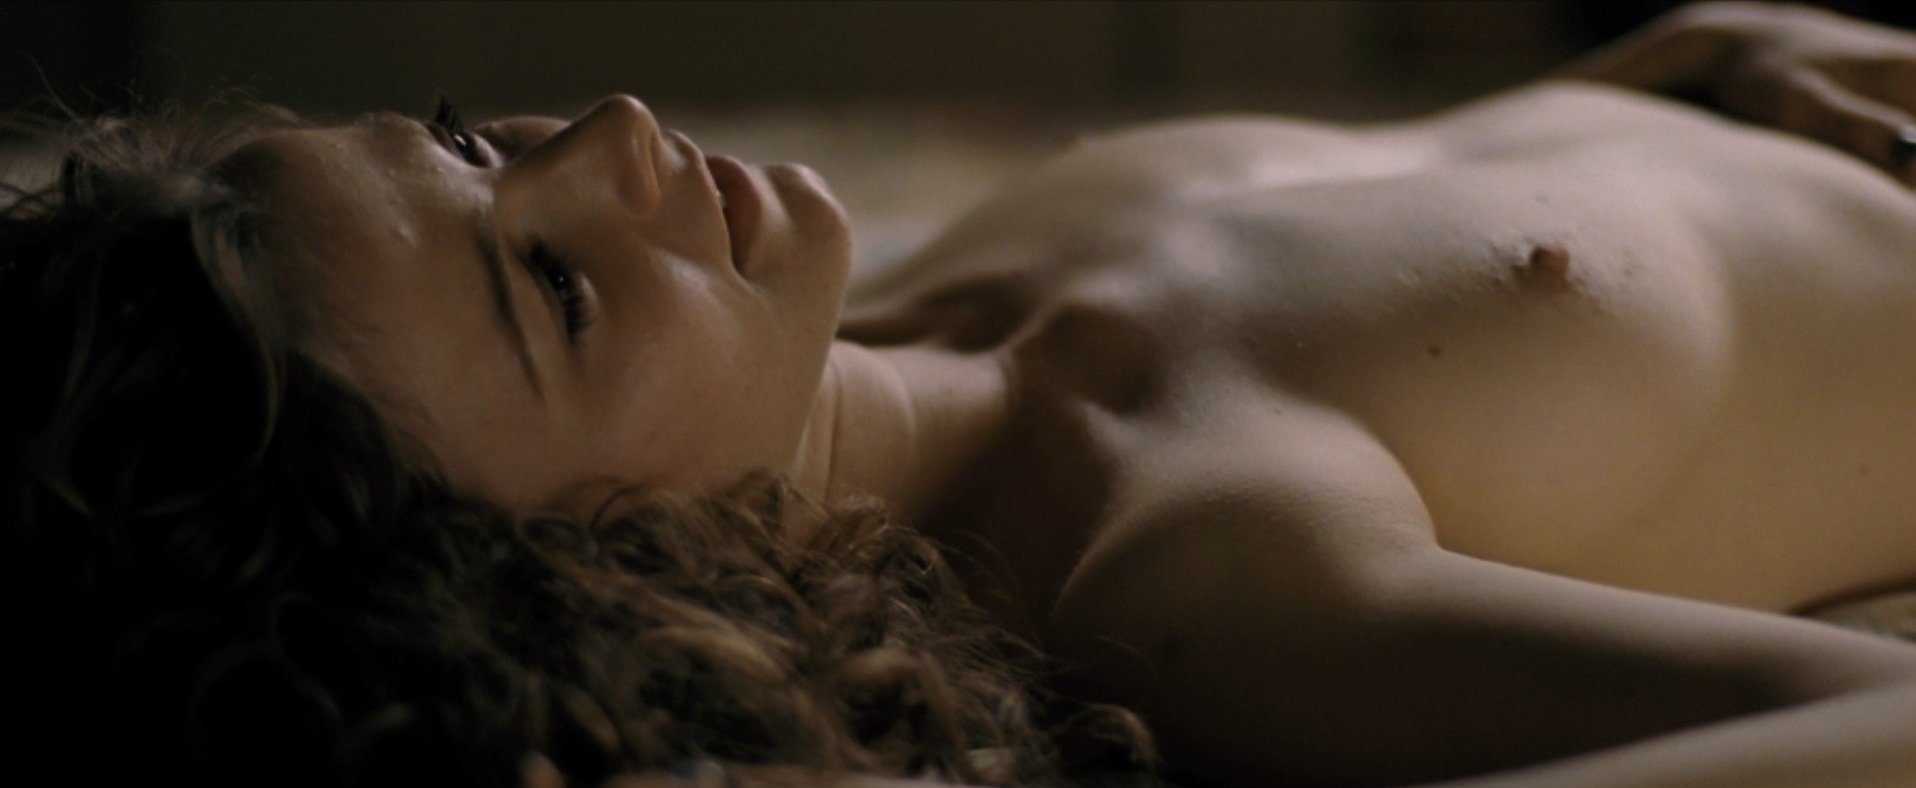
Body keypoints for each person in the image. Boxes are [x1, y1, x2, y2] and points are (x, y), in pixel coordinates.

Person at [6, 2, 1916, 787]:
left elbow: (1444, 195)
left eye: (458, 140)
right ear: (592, 592)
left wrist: (1688, 61)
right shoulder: (1189, 555)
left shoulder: (928, 304)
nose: (610, 135)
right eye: (557, 291)